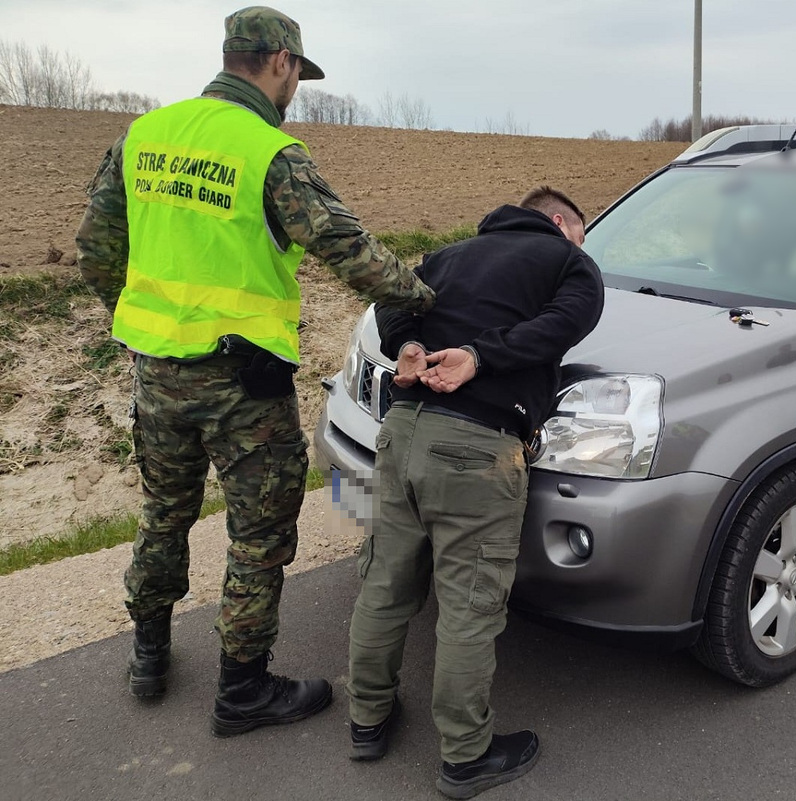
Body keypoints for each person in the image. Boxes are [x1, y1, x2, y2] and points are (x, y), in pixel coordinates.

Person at [75, 5, 435, 737]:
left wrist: (144, 324)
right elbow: (352, 252)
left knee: (164, 512)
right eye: (297, 72)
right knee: (259, 532)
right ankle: (242, 688)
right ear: (280, 61)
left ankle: (149, 656)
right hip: (244, 385)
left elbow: (95, 249)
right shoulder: (270, 151)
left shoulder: (143, 135)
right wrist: (429, 299)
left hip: (156, 374)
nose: (294, 87)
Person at [346, 187, 604, 798]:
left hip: (400, 434)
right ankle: (466, 756)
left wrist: (407, 347)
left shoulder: (447, 255)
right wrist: (480, 357)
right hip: (477, 449)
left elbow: (391, 301)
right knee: (469, 605)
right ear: (561, 222)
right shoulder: (570, 261)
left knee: (384, 583)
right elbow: (565, 325)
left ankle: (367, 721)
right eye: (581, 233)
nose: (582, 244)